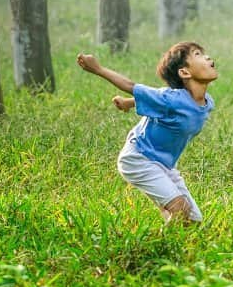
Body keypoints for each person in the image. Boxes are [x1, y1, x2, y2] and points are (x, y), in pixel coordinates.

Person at [77, 42, 218, 224]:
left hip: (164, 165)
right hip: (139, 158)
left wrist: (128, 103)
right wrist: (98, 69)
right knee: (180, 210)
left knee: (192, 220)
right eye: (198, 54)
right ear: (184, 72)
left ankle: (171, 231)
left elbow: (157, 103)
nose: (207, 57)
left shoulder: (207, 102)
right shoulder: (171, 99)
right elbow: (131, 86)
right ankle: (155, 248)